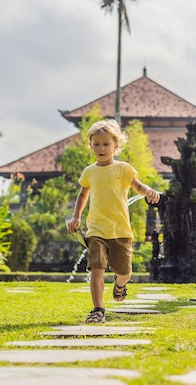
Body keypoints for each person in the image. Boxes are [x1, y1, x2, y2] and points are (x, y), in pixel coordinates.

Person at [66, 118, 160, 323]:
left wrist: (149, 192)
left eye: (106, 144)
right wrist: (76, 216)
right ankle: (98, 309)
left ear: (116, 146)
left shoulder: (124, 169)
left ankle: (120, 285)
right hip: (96, 229)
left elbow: (138, 187)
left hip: (121, 230)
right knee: (97, 269)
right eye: (97, 144)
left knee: (124, 271)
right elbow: (83, 196)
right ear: (90, 145)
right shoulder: (89, 172)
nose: (101, 148)